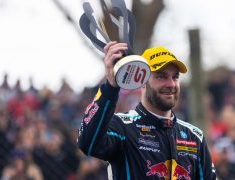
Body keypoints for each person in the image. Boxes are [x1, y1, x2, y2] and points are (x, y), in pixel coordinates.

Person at [77, 42, 217, 179]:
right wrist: (111, 88)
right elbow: (88, 143)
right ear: (142, 80)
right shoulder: (122, 126)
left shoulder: (194, 136)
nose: (171, 84)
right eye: (161, 76)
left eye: (175, 77)